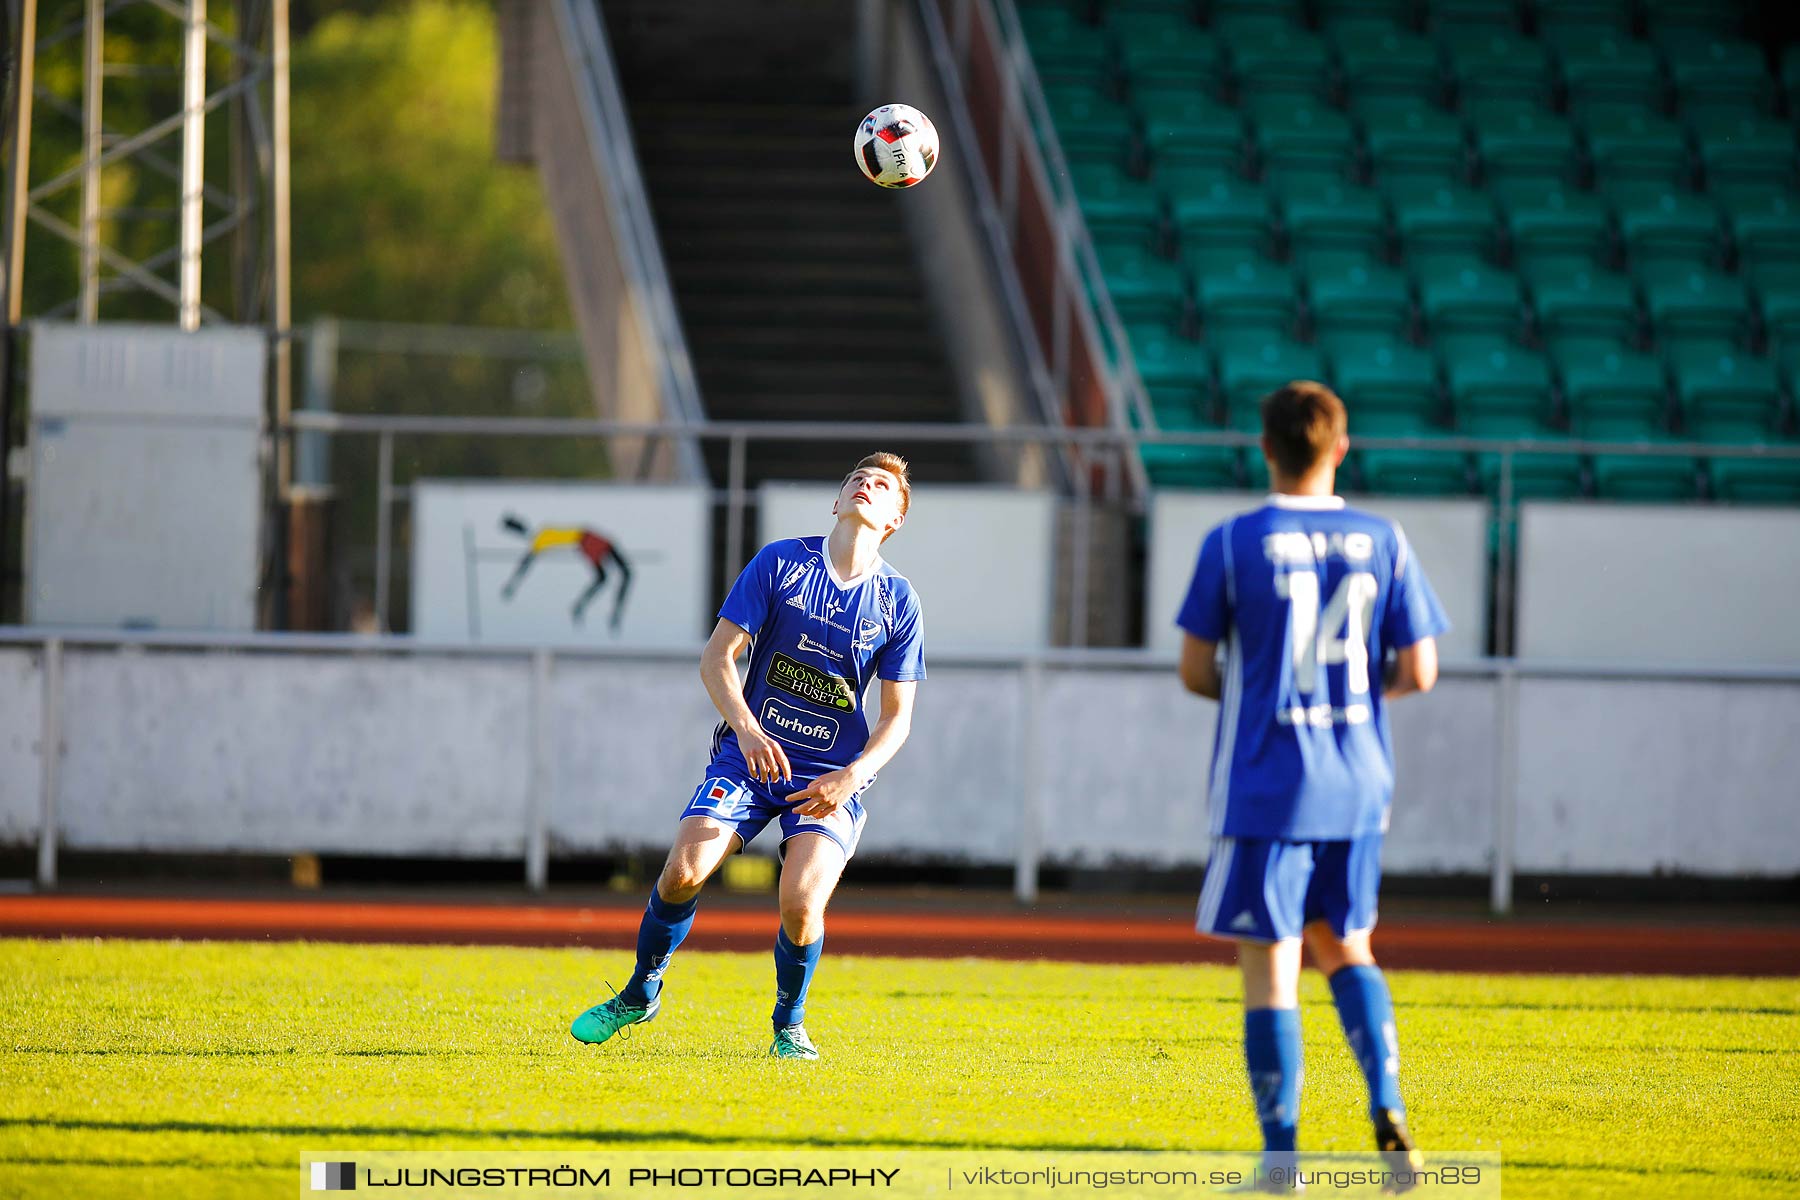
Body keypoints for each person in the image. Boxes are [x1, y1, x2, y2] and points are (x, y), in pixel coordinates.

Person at [1175, 382, 1448, 1191]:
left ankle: (1282, 1159)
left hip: (1268, 782)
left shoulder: (1233, 541)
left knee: (1271, 967)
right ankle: (1389, 1103)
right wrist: (1355, 699)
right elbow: (1420, 670)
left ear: (1265, 446)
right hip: (1360, 780)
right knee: (1348, 945)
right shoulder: (1384, 537)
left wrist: (1267, 694)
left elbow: (1196, 671)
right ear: (1340, 447)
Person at [569, 453, 925, 1060]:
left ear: (893, 519)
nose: (868, 486)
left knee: (800, 904)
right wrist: (748, 729)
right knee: (683, 872)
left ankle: (789, 1025)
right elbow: (717, 658)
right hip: (748, 757)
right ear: (836, 502)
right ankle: (639, 992)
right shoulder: (781, 563)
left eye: (884, 486)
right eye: (857, 480)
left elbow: (897, 719)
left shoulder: (898, 602)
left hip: (826, 777)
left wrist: (853, 776)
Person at [498, 515, 634, 630]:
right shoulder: (541, 538)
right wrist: (512, 584)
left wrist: (512, 584)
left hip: (586, 539)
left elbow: (525, 563)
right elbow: (525, 563)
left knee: (607, 577)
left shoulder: (541, 536)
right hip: (586, 540)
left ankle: (584, 607)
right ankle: (600, 610)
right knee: (613, 576)